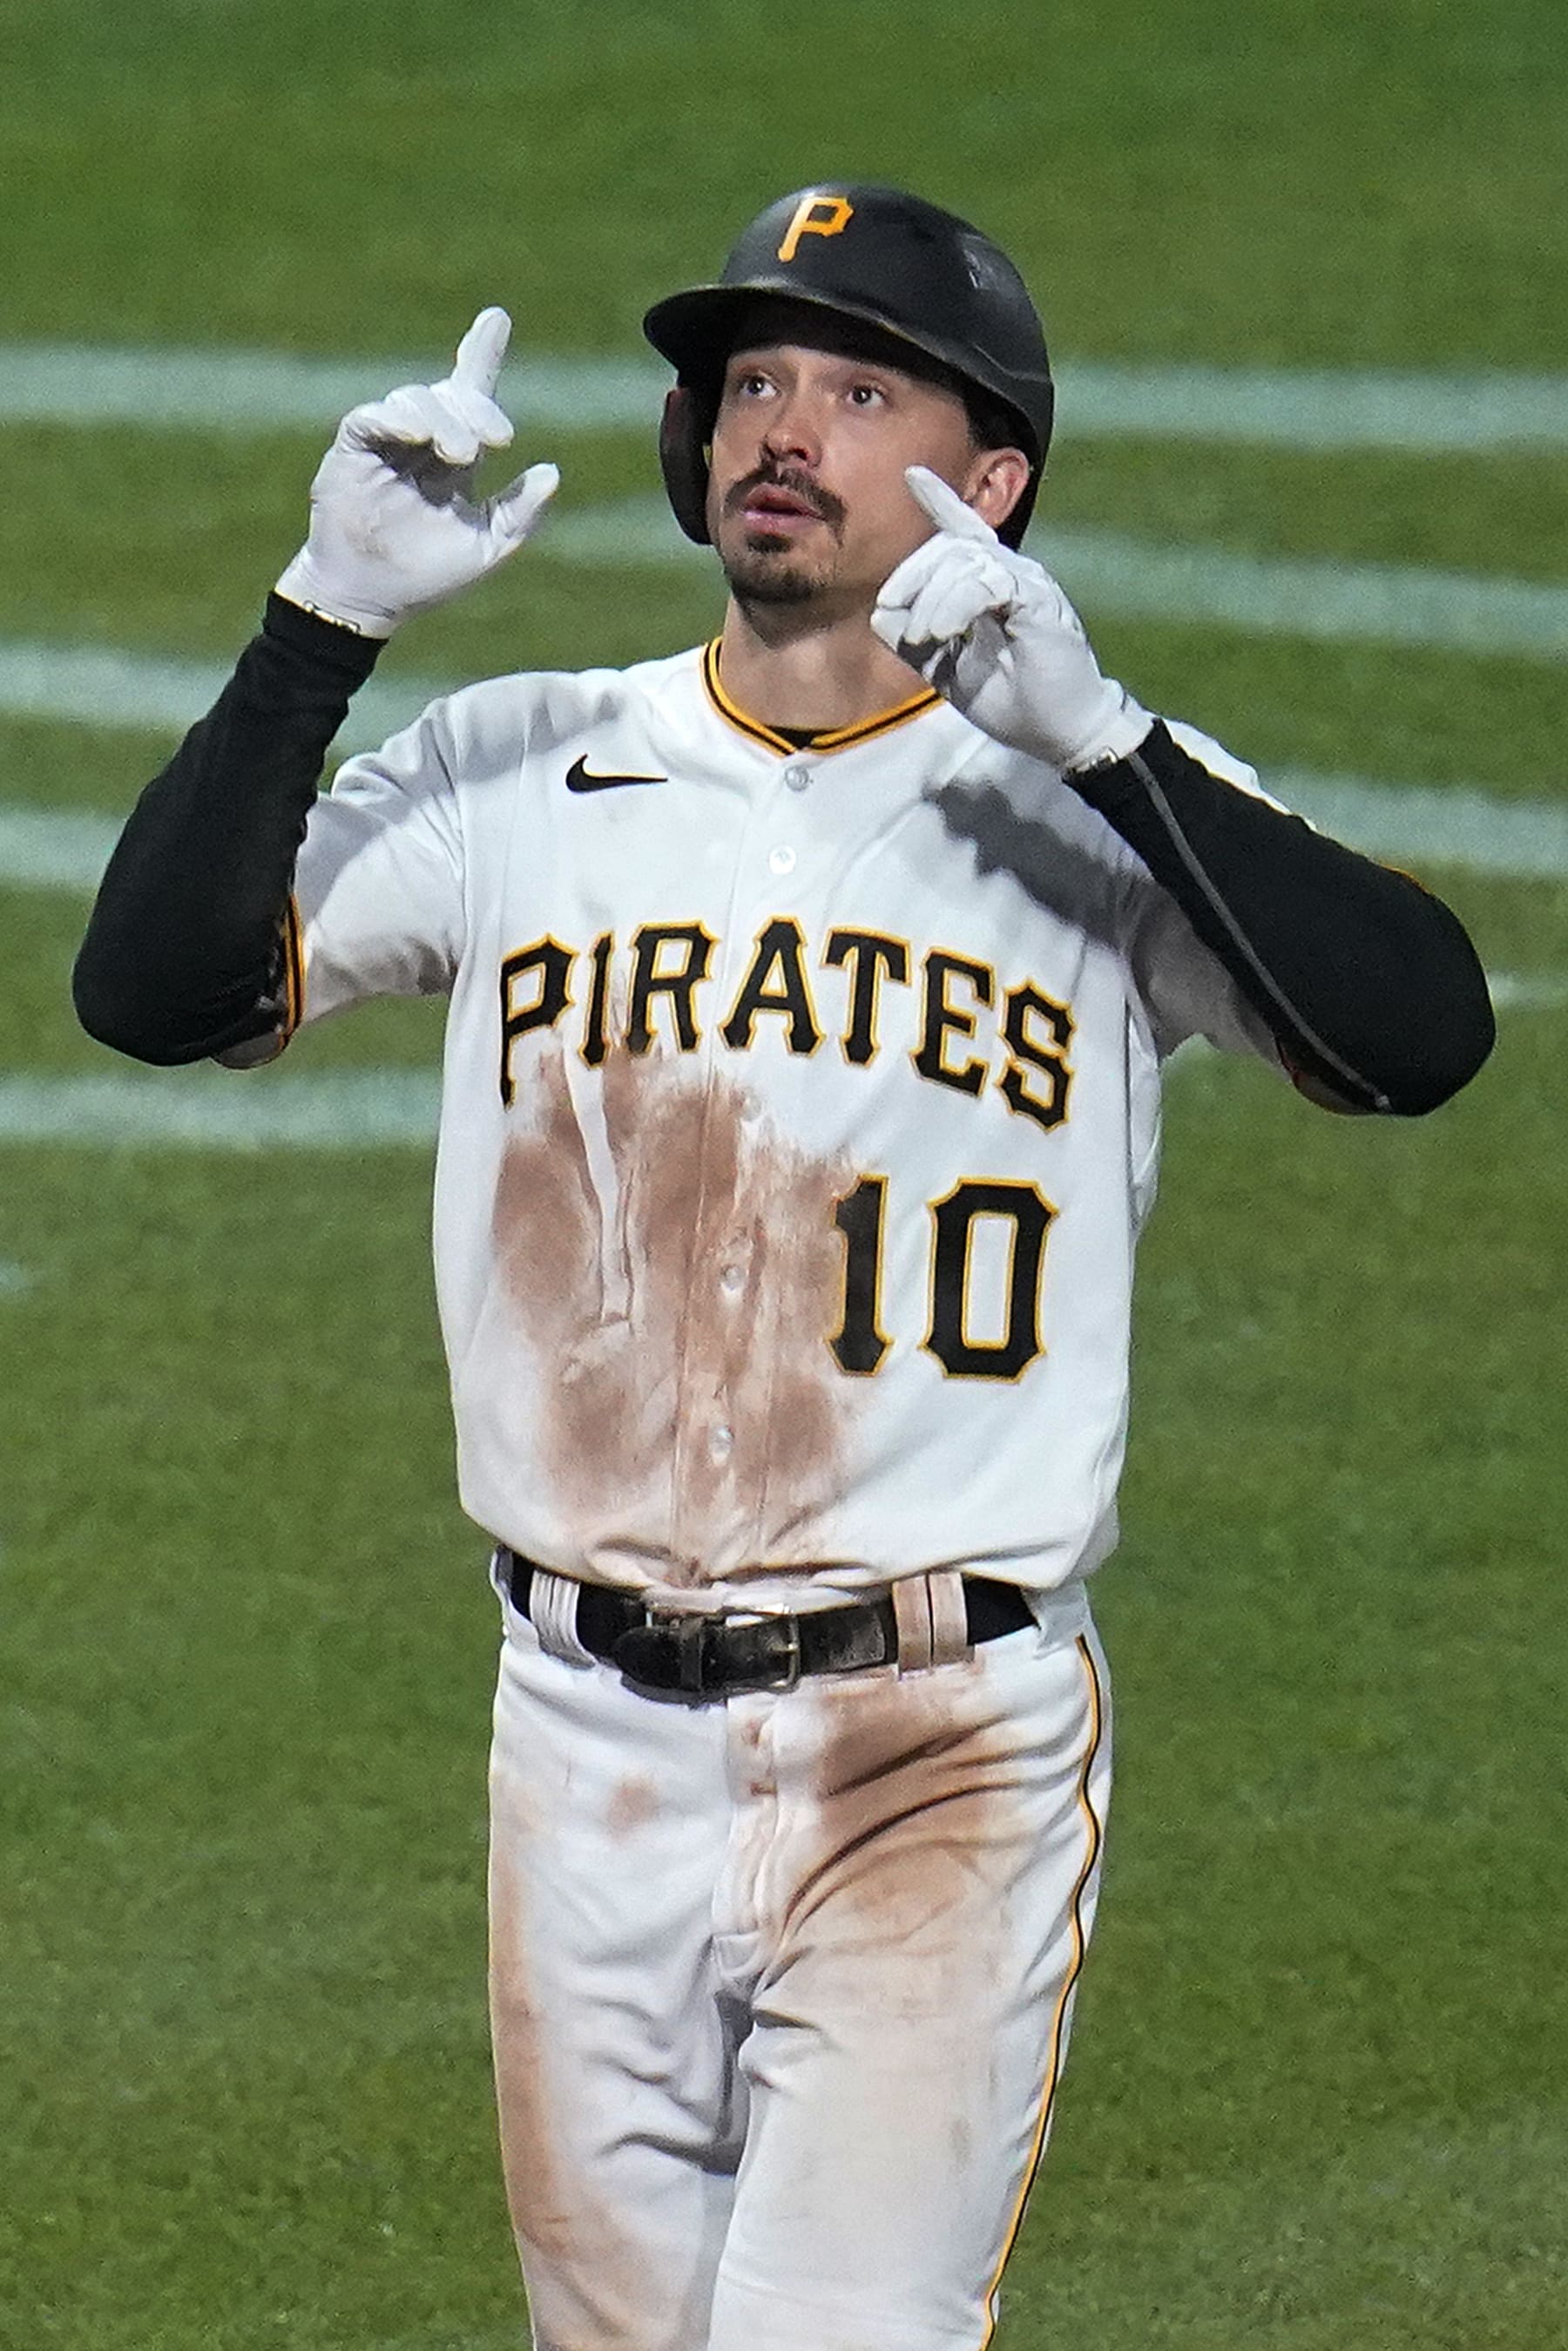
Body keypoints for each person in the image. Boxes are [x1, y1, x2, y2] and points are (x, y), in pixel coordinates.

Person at [74, 184, 1494, 2351]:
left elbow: (1418, 1038)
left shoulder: (1091, 798)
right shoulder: (526, 764)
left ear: (989, 475)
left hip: (941, 1741)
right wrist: (317, 623)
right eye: (751, 382)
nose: (782, 425)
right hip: (578, 1741)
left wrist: (1102, 742)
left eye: (856, 386)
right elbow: (152, 986)